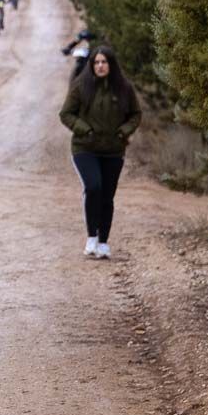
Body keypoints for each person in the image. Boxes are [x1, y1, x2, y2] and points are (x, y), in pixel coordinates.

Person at [58, 46, 141, 259]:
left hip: (113, 150)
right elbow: (66, 114)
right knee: (93, 187)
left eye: (104, 62)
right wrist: (85, 129)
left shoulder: (124, 88)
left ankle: (103, 242)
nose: (100, 66)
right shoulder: (81, 86)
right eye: (96, 62)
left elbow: (135, 114)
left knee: (107, 196)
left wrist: (124, 132)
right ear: (91, 65)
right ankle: (91, 237)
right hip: (85, 148)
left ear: (111, 65)